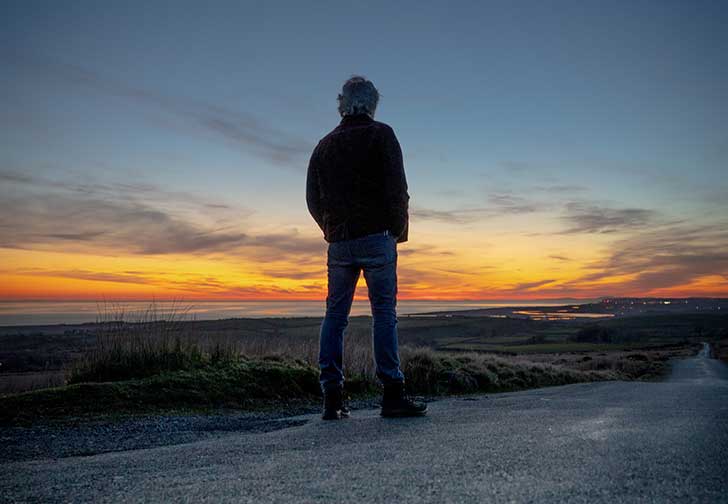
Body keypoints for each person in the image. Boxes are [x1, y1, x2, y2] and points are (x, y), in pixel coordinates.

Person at [306, 75, 427, 420]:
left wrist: (330, 228)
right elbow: (397, 190)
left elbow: (312, 199)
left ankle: (332, 397)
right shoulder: (382, 134)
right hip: (377, 238)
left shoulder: (324, 145)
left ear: (342, 104)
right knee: (384, 314)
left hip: (340, 243)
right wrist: (397, 232)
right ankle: (392, 394)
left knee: (335, 317)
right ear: (372, 104)